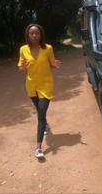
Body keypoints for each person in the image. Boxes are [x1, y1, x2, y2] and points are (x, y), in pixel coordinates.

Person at [17, 23, 62, 158]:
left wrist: (54, 64)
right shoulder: (23, 49)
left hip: (46, 85)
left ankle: (38, 148)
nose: (35, 35)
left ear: (41, 35)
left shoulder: (48, 48)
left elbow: (51, 63)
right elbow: (20, 67)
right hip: (31, 85)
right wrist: (23, 66)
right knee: (40, 111)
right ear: (28, 35)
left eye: (37, 33)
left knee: (40, 115)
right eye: (32, 33)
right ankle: (46, 125)